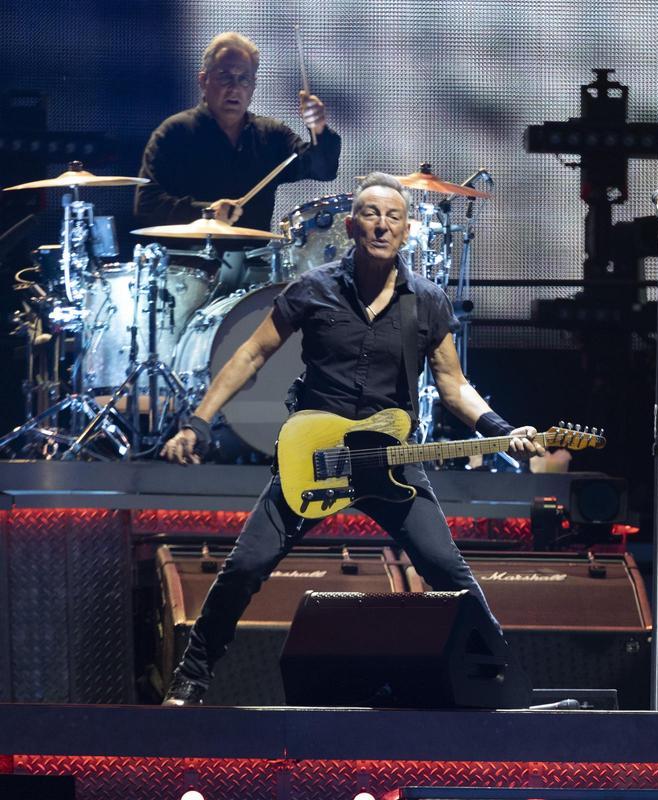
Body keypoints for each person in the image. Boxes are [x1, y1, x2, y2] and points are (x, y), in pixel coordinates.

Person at [158, 172, 545, 705]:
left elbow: (453, 386)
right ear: (350, 225)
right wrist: (197, 422)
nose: (381, 225)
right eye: (370, 214)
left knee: (448, 571)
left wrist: (502, 432)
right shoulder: (314, 289)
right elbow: (251, 353)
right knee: (246, 566)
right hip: (317, 454)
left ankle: (505, 682)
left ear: (406, 229)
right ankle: (192, 678)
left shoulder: (427, 302)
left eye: (392, 216)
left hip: (389, 460)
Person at [134, 32, 340, 288]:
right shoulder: (174, 133)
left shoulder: (271, 135)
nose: (234, 88)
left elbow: (323, 168)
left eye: (244, 79)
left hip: (252, 275)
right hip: (187, 273)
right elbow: (146, 204)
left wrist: (318, 127)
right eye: (225, 77)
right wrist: (207, 213)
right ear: (203, 80)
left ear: (252, 88)